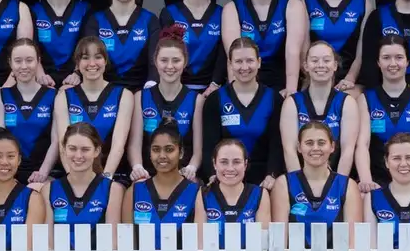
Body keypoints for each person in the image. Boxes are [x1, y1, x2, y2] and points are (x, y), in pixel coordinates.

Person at [223, 0, 307, 93]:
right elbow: (234, 59)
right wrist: (238, 95)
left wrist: (291, 92)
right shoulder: (232, 9)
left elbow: (293, 53)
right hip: (246, 83)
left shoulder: (293, 6)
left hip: (281, 84)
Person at [359, 35, 410, 186]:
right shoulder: (365, 99)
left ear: (407, 61)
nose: (393, 63)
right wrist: (366, 180)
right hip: (377, 180)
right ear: (378, 62)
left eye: (399, 57)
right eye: (386, 58)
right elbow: (362, 144)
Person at [202, 38, 283, 182]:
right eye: (238, 61)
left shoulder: (274, 99)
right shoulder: (215, 99)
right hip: (226, 177)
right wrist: (213, 176)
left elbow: (277, 145)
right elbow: (209, 145)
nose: (244, 67)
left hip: (264, 180)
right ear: (230, 64)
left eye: (250, 61)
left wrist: (272, 175)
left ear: (259, 62)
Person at [282, 40, 361, 174]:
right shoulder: (292, 103)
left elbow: (347, 151)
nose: (320, 65)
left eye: (326, 60)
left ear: (335, 65)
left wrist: (338, 183)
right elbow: (289, 150)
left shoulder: (347, 103)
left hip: (336, 175)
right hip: (301, 176)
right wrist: (298, 183)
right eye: (314, 60)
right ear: (306, 66)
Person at [134, 38, 205, 182]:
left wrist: (192, 168)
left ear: (185, 62)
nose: (170, 66)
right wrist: (137, 167)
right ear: (155, 61)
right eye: (164, 60)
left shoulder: (197, 100)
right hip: (149, 173)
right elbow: (134, 144)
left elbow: (198, 150)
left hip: (182, 173)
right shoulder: (140, 97)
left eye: (176, 60)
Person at [0, 39, 60, 182]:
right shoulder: (2, 95)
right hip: (11, 171)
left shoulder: (53, 95)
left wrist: (42, 173)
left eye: (29, 60)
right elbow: (0, 137)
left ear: (38, 62)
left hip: (43, 172)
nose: (24, 66)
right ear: (10, 63)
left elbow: (56, 140)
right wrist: (8, 173)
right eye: (18, 61)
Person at [61, 39, 134, 176]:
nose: (92, 63)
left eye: (98, 57)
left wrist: (105, 180)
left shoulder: (124, 95)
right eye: (85, 58)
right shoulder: (64, 96)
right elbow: (63, 146)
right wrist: (75, 179)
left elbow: (118, 146)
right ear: (77, 63)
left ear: (105, 61)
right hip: (75, 175)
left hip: (112, 175)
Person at [159, 0, 225, 89]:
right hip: (178, 89)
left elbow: (224, 54)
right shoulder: (170, 13)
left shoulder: (222, 13)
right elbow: (165, 55)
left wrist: (215, 84)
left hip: (213, 89)